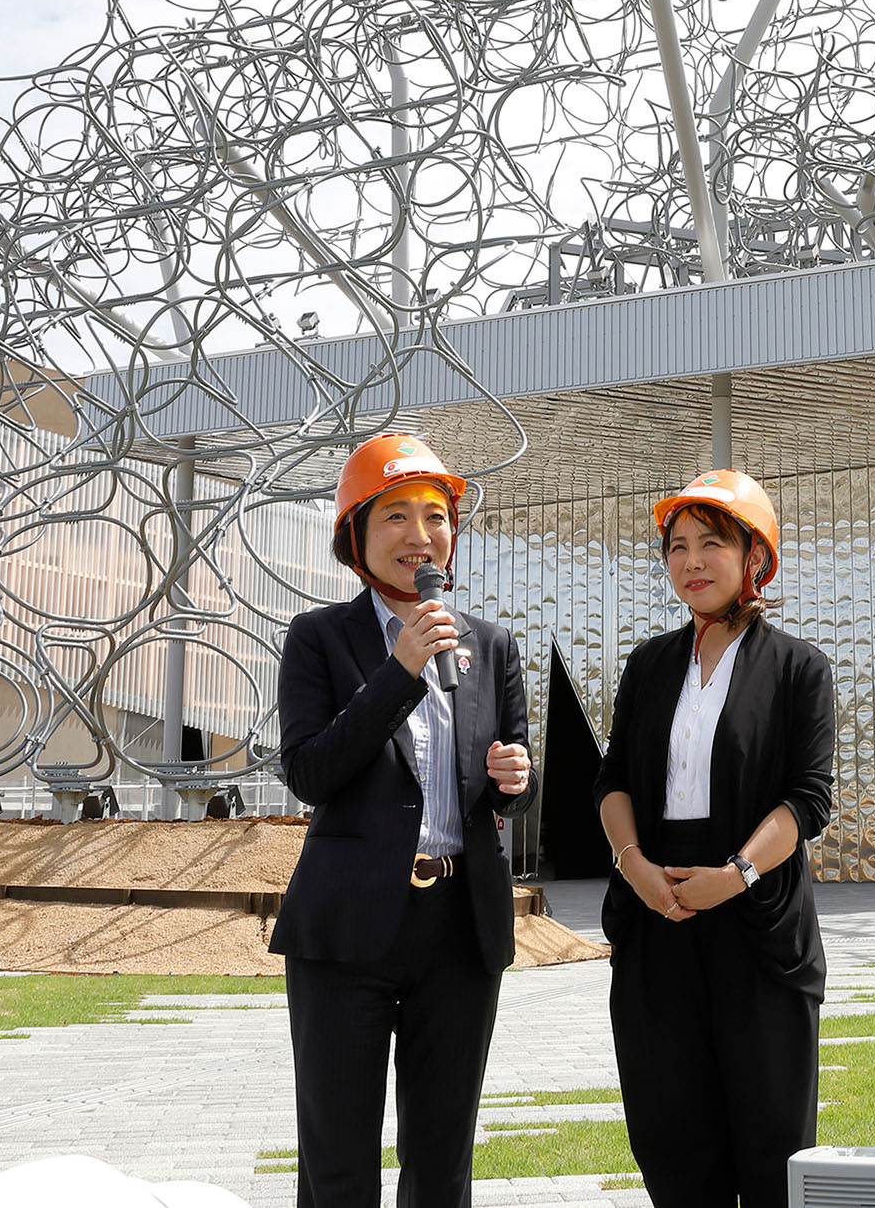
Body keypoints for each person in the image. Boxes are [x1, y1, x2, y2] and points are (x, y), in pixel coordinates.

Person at [269, 432, 537, 1208]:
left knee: (443, 1151)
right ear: (356, 533)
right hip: (348, 925)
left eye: (435, 515)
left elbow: (507, 779)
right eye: (395, 516)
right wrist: (400, 670)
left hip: (458, 924)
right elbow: (310, 771)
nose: (420, 535)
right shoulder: (319, 638)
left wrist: (516, 778)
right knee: (339, 1154)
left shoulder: (489, 644)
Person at [594, 469, 835, 1208]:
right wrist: (634, 865)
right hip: (657, 924)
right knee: (670, 1137)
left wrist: (734, 874)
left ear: (754, 556)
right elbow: (614, 782)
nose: (691, 561)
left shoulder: (800, 668)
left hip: (756, 931)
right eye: (676, 547)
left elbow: (808, 799)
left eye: (711, 543)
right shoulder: (648, 663)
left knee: (770, 1145)